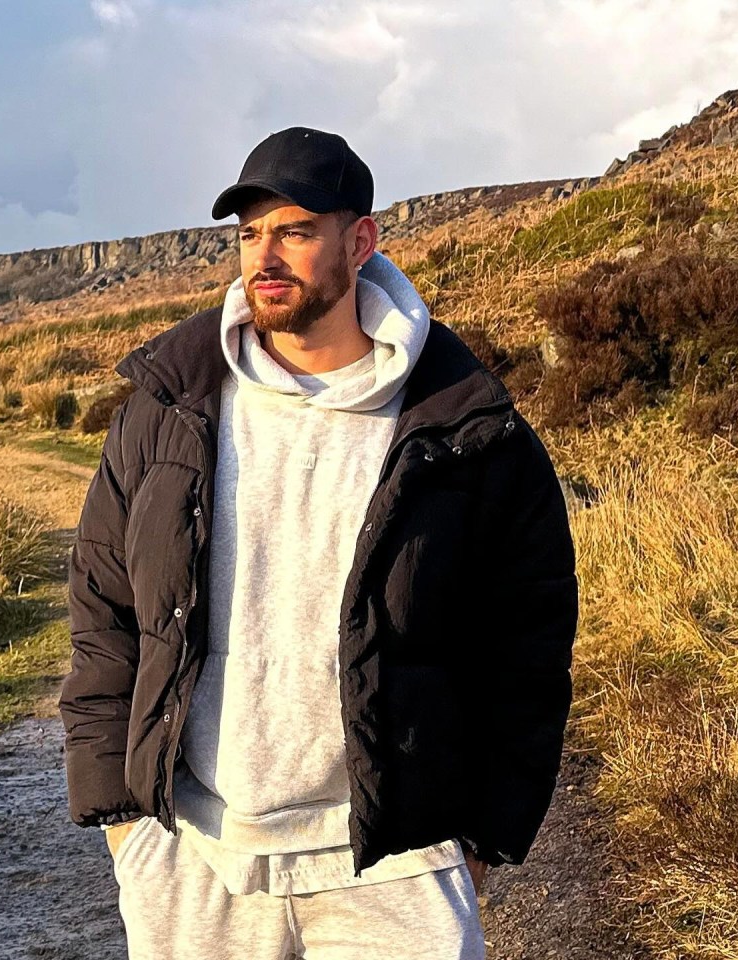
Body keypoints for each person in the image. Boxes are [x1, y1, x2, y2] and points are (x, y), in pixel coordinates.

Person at [58, 126, 579, 960]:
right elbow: (105, 612)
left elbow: (527, 642)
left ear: (361, 240)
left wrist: (478, 838)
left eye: (295, 230)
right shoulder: (166, 408)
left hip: (394, 868)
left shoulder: (464, 427)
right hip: (200, 855)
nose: (265, 255)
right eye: (249, 234)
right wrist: (123, 821)